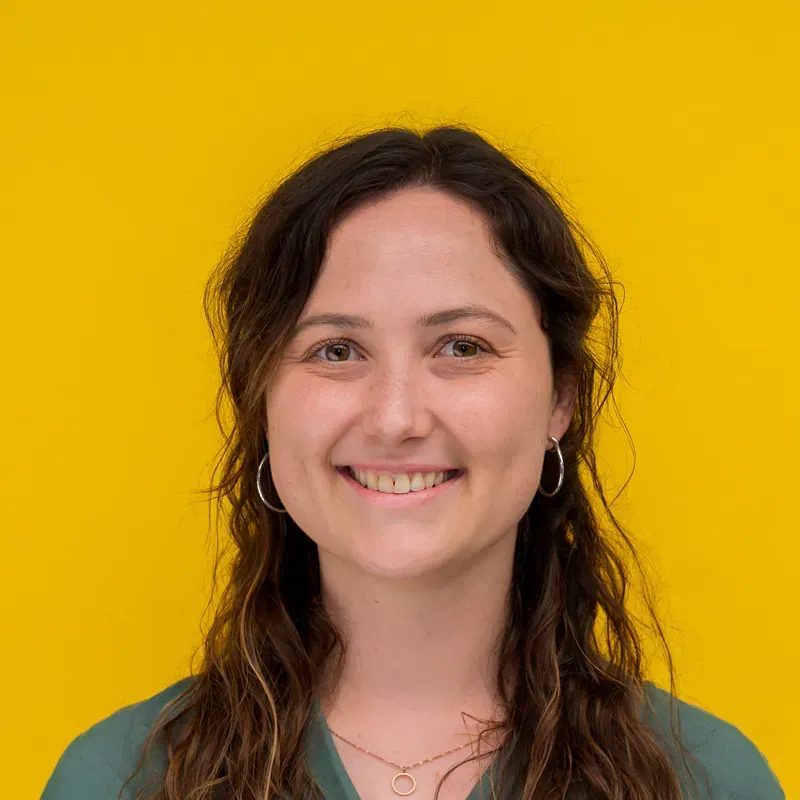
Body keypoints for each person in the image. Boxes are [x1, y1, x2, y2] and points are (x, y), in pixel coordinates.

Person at [41, 125, 784, 800]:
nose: (396, 418)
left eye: (462, 347)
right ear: (261, 401)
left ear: (561, 398)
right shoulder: (116, 780)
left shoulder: (709, 781)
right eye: (336, 350)